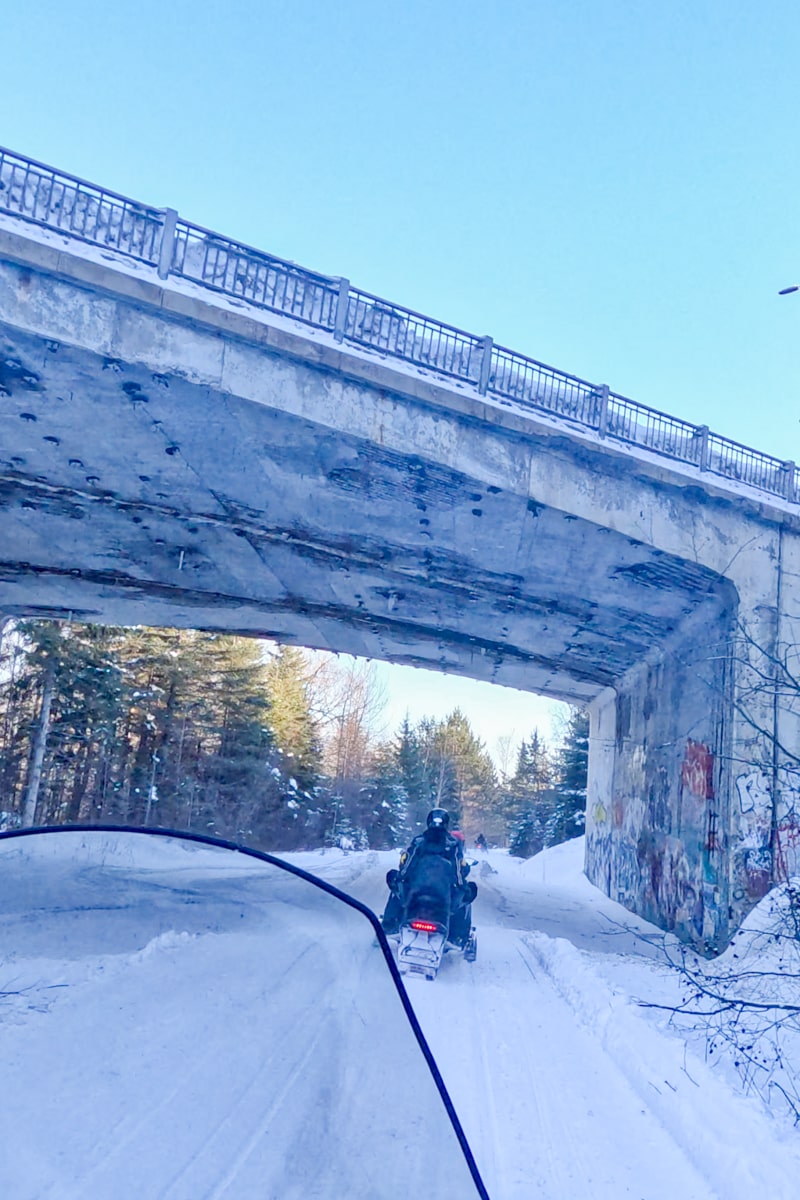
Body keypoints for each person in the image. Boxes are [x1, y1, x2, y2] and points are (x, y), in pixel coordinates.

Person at [381, 809, 475, 945]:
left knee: (396, 886)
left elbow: (406, 865)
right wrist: (463, 887)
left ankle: (389, 925)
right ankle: (458, 937)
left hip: (415, 892)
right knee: (466, 897)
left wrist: (399, 878)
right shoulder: (453, 845)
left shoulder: (419, 842)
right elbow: (459, 870)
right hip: (443, 895)